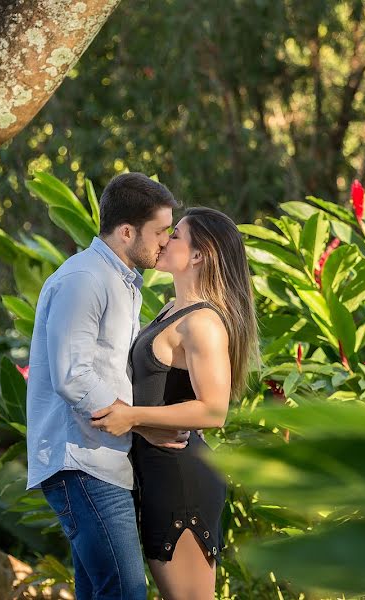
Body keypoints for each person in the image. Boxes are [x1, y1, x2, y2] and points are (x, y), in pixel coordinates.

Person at [25, 172, 187, 600]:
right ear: (127, 231)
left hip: (102, 461)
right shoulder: (85, 280)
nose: (166, 243)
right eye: (159, 232)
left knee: (100, 593)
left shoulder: (121, 283)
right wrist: (140, 423)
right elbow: (72, 375)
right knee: (126, 591)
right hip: (80, 462)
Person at [91, 207, 259, 600]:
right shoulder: (172, 309)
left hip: (180, 479)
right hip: (159, 474)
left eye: (177, 235)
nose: (165, 239)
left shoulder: (201, 322)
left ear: (199, 255)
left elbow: (214, 410)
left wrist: (133, 417)